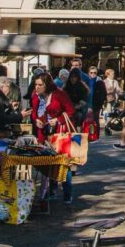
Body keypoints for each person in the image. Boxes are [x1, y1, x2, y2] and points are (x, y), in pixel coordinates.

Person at [30, 73, 76, 204]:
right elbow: (34, 112)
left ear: (47, 85)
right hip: (44, 133)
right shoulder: (35, 96)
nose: (37, 87)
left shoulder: (59, 94)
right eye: (36, 84)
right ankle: (51, 190)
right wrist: (37, 120)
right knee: (48, 162)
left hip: (60, 133)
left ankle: (67, 193)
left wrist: (58, 119)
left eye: (40, 85)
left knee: (63, 163)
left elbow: (71, 110)